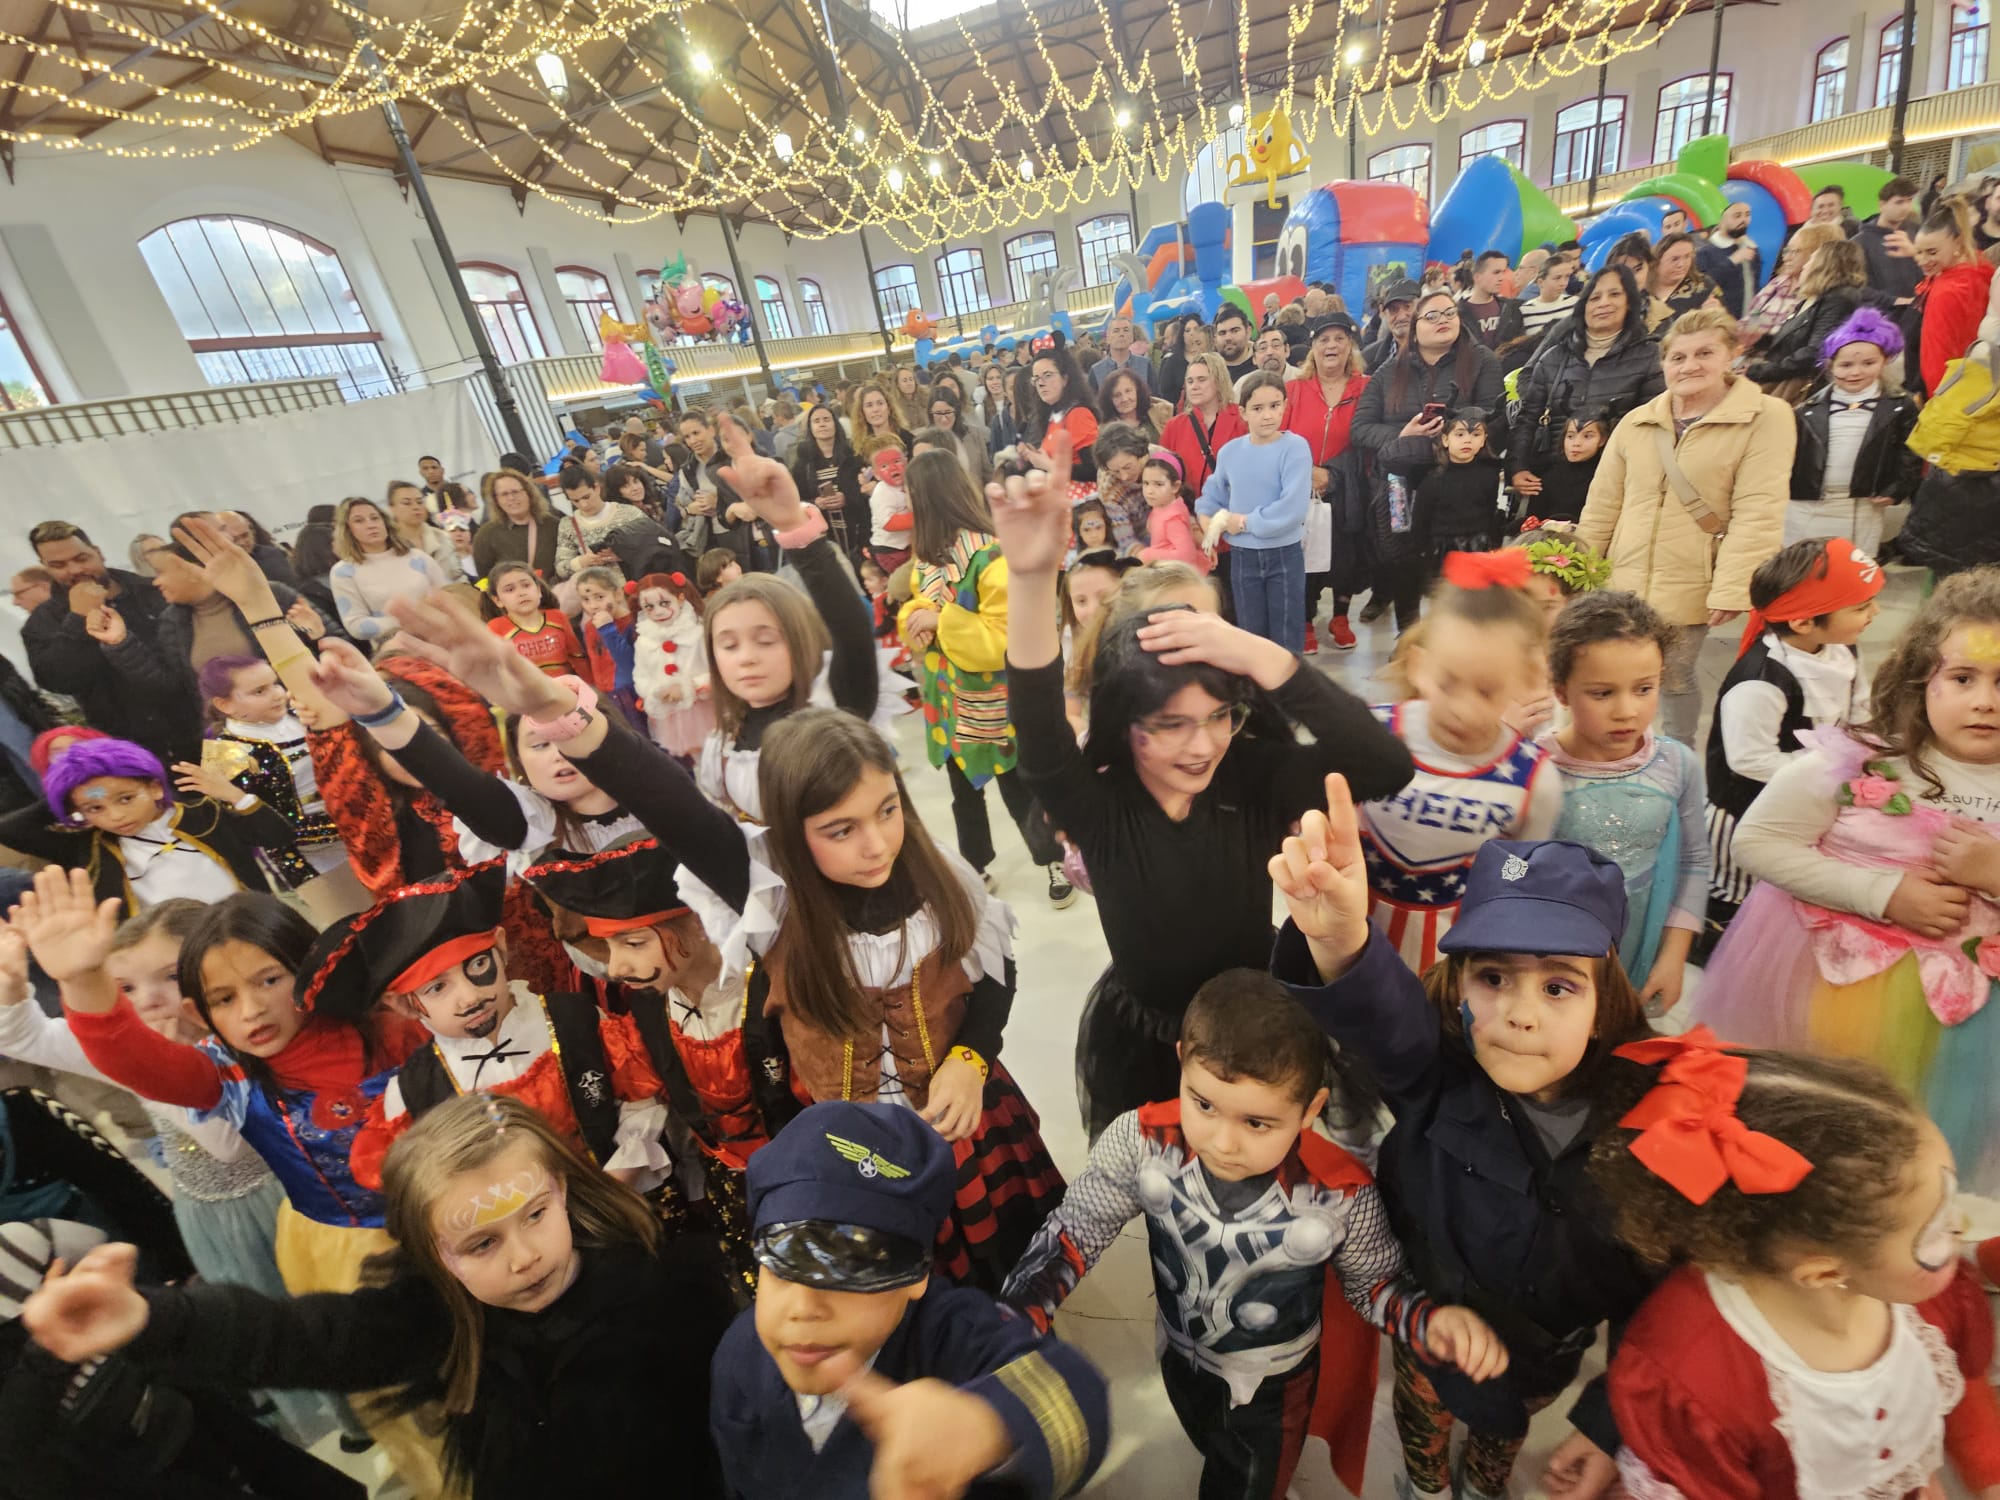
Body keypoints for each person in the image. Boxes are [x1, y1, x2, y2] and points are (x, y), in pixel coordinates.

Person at [992, 428, 1413, 1138]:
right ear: (1125, 721)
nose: (1203, 744)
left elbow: (1384, 765)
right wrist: (1033, 581)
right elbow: (1036, 723)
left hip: (1259, 1023)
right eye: (1170, 725)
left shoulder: (1251, 776)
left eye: (1221, 716)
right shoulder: (1099, 805)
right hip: (1147, 1043)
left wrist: (1264, 658)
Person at [20, 1091, 737, 1500]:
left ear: (563, 1189)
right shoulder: (440, 1312)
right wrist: (154, 1318)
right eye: (481, 1244)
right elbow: (307, 1337)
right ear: (433, 1255)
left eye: (536, 1215)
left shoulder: (667, 1294)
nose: (525, 1257)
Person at [1001, 970, 1507, 1500]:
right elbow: (1077, 1227)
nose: (1223, 1143)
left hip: (1273, 1388)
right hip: (1176, 1352)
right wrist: (1011, 1318)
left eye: (1257, 1123)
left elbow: (1375, 1284)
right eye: (1204, 1104)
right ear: (1182, 1062)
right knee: (1208, 1440)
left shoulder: (1340, 1196)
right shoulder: (1140, 1141)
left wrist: (1427, 1321)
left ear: (1310, 1110)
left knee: (1251, 1481)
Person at [1269, 823, 1661, 1500]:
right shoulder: (1438, 1077)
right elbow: (1387, 1021)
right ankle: (1427, 1486)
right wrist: (1342, 943)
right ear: (1458, 987)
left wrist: (1609, 1422)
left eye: (1559, 986)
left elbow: (1662, 1305)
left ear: (1604, 1007)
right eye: (1493, 976)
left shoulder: (1653, 1138)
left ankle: (1483, 1484)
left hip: (1540, 1359)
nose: (1519, 1014)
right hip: (1432, 1329)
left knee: (1500, 1435)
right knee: (1422, 1417)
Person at [1698, 567, 2000, 1193]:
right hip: (1845, 996)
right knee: (1830, 1135)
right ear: (1921, 678)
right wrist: (1884, 895)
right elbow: (1759, 841)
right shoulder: (1856, 764)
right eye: (1962, 678)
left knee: (1938, 1153)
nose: (1984, 701)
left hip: (1976, 1025)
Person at [1598, 1036, 2000, 1500]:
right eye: (1933, 1229)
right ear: (1824, 1273)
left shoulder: (1930, 1299)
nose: (1959, 1229)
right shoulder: (1693, 1377)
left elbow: (1957, 1383)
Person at [709, 1099, 1110, 1500]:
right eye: (781, 1266)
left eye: (849, 1270)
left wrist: (989, 1425)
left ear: (917, 1275)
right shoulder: (740, 1357)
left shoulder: (951, 1335)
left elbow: (1072, 1390)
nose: (802, 1308)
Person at [301, 865, 670, 1192]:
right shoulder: (413, 1093)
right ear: (404, 1004)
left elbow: (640, 1101)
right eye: (437, 988)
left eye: (478, 966)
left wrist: (615, 1185)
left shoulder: (576, 1020)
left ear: (500, 947)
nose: (470, 998)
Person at [1576, 308, 1794, 745]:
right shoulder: (1637, 421)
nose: (1690, 366)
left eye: (1704, 353)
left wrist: (1732, 586)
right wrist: (1580, 569)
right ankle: (1618, 748)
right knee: (1616, 671)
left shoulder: (1766, 417)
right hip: (1623, 574)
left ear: (1731, 355)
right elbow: (1603, 504)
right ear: (1663, 364)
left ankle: (1677, 751)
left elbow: (1758, 509)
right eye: (1678, 357)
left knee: (1673, 676)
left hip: (1691, 575)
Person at [1356, 556, 1563, 970]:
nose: (1463, 709)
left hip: (1451, 960)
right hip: (1350, 944)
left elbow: (1518, 871)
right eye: (1448, 683)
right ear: (1419, 665)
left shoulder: (1535, 781)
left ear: (1530, 680)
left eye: (1486, 691)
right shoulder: (1369, 734)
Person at [899, 450, 1070, 904]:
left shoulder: (989, 554)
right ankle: (974, 863)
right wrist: (917, 619)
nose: (906, 503)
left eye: (911, 494)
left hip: (991, 698)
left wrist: (941, 621)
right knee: (962, 790)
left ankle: (1052, 859)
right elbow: (920, 605)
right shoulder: (928, 557)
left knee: (1018, 785)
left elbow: (1005, 637)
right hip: (947, 696)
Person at [1698, 536, 1882, 954]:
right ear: (1802, 622)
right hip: (1749, 809)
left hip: (1815, 794)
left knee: (1790, 885)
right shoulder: (1761, 680)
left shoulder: (1841, 648)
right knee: (1737, 894)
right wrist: (1829, 768)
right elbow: (1749, 760)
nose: (1875, 613)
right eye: (1860, 607)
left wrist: (1865, 750)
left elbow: (1860, 707)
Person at [1539, 592, 1707, 1016]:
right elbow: (1506, 866)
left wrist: (1673, 956)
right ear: (1561, 691)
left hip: (1640, 940)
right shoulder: (1534, 769)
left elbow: (1693, 862)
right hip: (1549, 949)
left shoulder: (1677, 765)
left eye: (1644, 689)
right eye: (1602, 693)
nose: (1626, 711)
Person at [1351, 289, 1507, 633]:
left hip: (1460, 481)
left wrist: (1454, 435)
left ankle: (1456, 637)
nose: (1443, 321)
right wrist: (1403, 435)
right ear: (1416, 326)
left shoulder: (1482, 361)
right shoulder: (1389, 370)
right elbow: (1360, 428)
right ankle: (1408, 635)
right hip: (1399, 482)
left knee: (1458, 567)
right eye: (1432, 316)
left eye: (1449, 313)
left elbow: (1495, 420)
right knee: (1401, 556)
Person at [0, 738, 294, 915]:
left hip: (250, 922)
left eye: (126, 798)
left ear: (155, 787)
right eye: (95, 809)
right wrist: (69, 783)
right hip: (175, 952)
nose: (115, 816)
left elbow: (278, 836)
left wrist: (235, 796)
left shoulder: (203, 814)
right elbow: (11, 830)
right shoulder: (89, 847)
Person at [19, 522, 180, 761]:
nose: (74, 570)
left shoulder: (151, 591)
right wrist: (79, 619)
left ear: (98, 552)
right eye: (58, 565)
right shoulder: (42, 623)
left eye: (81, 558)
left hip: (191, 725)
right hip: (128, 746)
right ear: (45, 568)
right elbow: (57, 681)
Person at [199, 654, 349, 893]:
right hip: (307, 854)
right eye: (260, 691)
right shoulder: (223, 753)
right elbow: (247, 826)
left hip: (356, 824)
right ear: (225, 705)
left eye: (275, 684)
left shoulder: (300, 713)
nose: (278, 694)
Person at [1785, 306, 1922, 555]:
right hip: (1808, 502)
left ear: (1884, 361)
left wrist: (1897, 488)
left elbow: (1910, 451)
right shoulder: (1806, 408)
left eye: (1868, 363)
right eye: (1846, 365)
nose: (1856, 372)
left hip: (1863, 503)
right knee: (1803, 560)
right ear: (1831, 366)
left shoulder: (1900, 406)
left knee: (1854, 560)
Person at [1195, 372, 1313, 650]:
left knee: (1286, 637)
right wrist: (1208, 526)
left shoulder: (1295, 448)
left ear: (1285, 406)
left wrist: (1243, 522)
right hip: (1243, 557)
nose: (1267, 415)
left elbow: (1292, 509)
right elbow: (1212, 495)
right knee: (1250, 635)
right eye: (1258, 408)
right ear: (1243, 412)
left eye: (1274, 405)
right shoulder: (1230, 452)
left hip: (1284, 555)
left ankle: (1287, 679)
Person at [1284, 311, 1370, 652]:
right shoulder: (1294, 389)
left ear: (1350, 346)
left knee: (1346, 554)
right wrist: (1306, 471)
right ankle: (1305, 618)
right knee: (1305, 553)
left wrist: (1334, 473)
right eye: (1323, 339)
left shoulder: (1366, 388)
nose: (1331, 345)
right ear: (1313, 348)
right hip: (1302, 487)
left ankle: (1340, 617)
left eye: (1339, 339)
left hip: (1349, 487)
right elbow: (1280, 438)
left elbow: (1367, 439)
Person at [1744, 240, 1887, 395]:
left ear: (1824, 265)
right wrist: (1759, 340)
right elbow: (1796, 338)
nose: (1805, 266)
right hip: (1779, 375)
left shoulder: (1838, 300)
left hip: (1794, 385)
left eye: (1811, 260)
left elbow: (1815, 351)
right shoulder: (1814, 297)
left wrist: (1761, 371)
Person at [328, 496, 449, 651]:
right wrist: (409, 622)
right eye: (359, 521)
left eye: (375, 518)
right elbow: (355, 624)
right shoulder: (343, 572)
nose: (371, 525)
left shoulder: (417, 557)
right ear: (347, 529)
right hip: (398, 651)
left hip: (443, 640)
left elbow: (448, 594)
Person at [1907, 199, 1996, 398]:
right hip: (1976, 386)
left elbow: (1938, 357)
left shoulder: (1948, 291)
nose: (1923, 261)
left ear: (1957, 242)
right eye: (1918, 252)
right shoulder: (1978, 268)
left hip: (1949, 394)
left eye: (1932, 252)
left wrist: (1937, 401)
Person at [678, 410, 780, 574]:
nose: (693, 441)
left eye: (696, 433)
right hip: (717, 536)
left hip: (757, 532)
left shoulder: (733, 456)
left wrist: (718, 502)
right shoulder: (688, 470)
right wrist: (690, 509)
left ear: (711, 430)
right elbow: (681, 509)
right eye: (687, 437)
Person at [628, 570, 713, 759]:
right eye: (649, 607)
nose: (658, 611)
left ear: (680, 598)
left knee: (716, 753)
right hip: (672, 715)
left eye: (665, 603)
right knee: (693, 760)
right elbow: (641, 675)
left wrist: (690, 687)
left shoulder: (698, 633)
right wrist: (655, 692)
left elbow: (716, 670)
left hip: (706, 707)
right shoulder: (644, 641)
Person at [1737, 222, 1845, 352]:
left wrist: (1760, 339)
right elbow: (1750, 318)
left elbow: (1807, 347)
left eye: (1795, 252)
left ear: (1816, 255)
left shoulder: (1822, 297)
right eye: (1787, 250)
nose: (1786, 258)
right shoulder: (1776, 284)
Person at [1158, 352, 1245, 499]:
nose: (1194, 387)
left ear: (1218, 381)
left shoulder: (1242, 418)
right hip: (1188, 508)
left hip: (1232, 506)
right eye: (1190, 381)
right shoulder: (1174, 426)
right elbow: (1162, 474)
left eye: (1202, 380)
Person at [789, 403, 867, 563]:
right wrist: (815, 504)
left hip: (856, 530)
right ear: (810, 428)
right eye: (816, 421)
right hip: (823, 535)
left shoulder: (854, 455)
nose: (822, 424)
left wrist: (847, 498)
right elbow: (796, 501)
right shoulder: (803, 463)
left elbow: (866, 491)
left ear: (835, 424)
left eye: (826, 419)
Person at [484, 561, 587, 679]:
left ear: (538, 590)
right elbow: (491, 671)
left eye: (526, 585)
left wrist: (590, 686)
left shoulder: (558, 617)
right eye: (510, 590)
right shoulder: (495, 628)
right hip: (525, 690)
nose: (521, 593)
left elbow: (577, 657)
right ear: (498, 600)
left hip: (566, 687)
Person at [1020, 343, 1100, 481]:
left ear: (1065, 378)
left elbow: (1093, 470)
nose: (1040, 383)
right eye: (1036, 378)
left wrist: (1048, 465)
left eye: (1047, 375)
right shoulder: (1053, 415)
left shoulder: (1078, 414)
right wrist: (1032, 457)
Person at [471, 468, 560, 582]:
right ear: (496, 500)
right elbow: (485, 579)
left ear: (528, 493)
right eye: (504, 494)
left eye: (515, 492)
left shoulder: (553, 525)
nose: (511, 498)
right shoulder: (486, 535)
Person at [1135, 449, 1205, 574]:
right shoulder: (1162, 506)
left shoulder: (1173, 518)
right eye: (1146, 483)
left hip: (1179, 578)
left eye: (1158, 484)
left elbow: (1185, 555)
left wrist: (1147, 555)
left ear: (1175, 486)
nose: (1149, 491)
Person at [1857, 174, 1923, 303]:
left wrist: (1916, 254)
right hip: (1881, 312)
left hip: (1917, 309)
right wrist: (1895, 301)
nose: (1906, 207)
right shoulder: (1860, 242)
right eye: (1899, 202)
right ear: (1882, 205)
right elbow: (1857, 286)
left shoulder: (1918, 234)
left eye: (1909, 200)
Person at [1693, 200, 1762, 319]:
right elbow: (1702, 286)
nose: (1743, 220)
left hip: (1749, 319)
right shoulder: (1705, 252)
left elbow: (1754, 284)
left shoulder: (1751, 248)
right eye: (1737, 216)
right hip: (1720, 320)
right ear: (1722, 221)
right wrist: (1732, 261)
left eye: (1747, 215)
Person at [386, 480, 458, 576]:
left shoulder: (442, 537)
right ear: (391, 508)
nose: (416, 507)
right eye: (406, 503)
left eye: (419, 502)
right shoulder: (388, 546)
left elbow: (458, 575)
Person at [1459, 249, 1525, 352]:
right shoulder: (1458, 314)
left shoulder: (1513, 309)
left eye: (1503, 272)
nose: (1501, 278)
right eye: (1496, 272)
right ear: (1477, 277)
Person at [924, 386, 990, 485]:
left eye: (948, 412)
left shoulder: (974, 434)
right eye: (938, 413)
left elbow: (987, 472)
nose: (944, 419)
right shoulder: (925, 442)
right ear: (930, 414)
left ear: (956, 411)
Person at [1648, 232, 1720, 320]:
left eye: (1687, 257)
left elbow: (1724, 321)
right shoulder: (1642, 289)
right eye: (1674, 259)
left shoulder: (1704, 286)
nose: (1681, 264)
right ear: (1657, 261)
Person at [1093, 366, 1163, 443]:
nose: (1124, 399)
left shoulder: (1159, 414)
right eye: (1117, 395)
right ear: (1109, 400)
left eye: (1128, 391)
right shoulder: (1103, 432)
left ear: (1138, 391)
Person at [1364, 278, 1419, 372]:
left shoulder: (1439, 350)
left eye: (1407, 307)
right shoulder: (1368, 359)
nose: (1401, 317)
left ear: (1421, 308)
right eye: (1393, 309)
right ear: (1383, 314)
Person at [1517, 254, 1578, 339]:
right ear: (1540, 282)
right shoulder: (1525, 310)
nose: (1563, 283)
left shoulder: (1575, 303)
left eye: (1567, 277)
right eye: (1557, 278)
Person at [1089, 313, 1148, 388]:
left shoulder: (1145, 364)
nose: (1121, 334)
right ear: (1108, 338)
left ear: (1132, 337)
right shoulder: (1096, 370)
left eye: (1126, 330)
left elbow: (1155, 394)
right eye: (1116, 331)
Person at [1211, 304, 1256, 384]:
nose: (1228, 338)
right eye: (1222, 333)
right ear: (1215, 339)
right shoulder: (1209, 369)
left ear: (1248, 332)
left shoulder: (1263, 363)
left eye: (1235, 331)